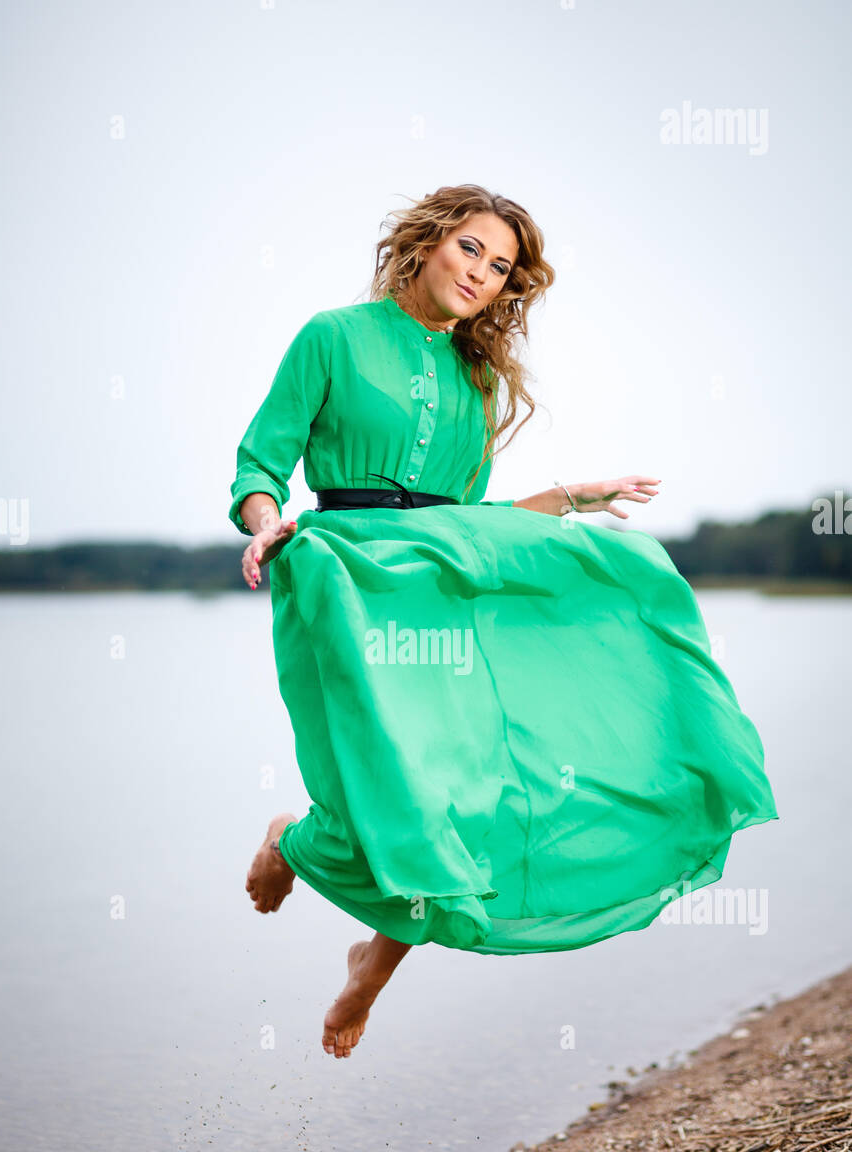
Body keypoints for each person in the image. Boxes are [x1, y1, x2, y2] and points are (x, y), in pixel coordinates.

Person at [228, 184, 778, 1061]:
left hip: (441, 592)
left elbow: (471, 516)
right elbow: (260, 462)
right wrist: (267, 526)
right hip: (347, 585)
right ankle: (291, 842)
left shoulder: (477, 377)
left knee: (456, 798)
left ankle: (370, 968)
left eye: (503, 267)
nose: (483, 275)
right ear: (427, 242)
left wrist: (571, 500)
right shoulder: (331, 336)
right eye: (473, 250)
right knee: (379, 788)